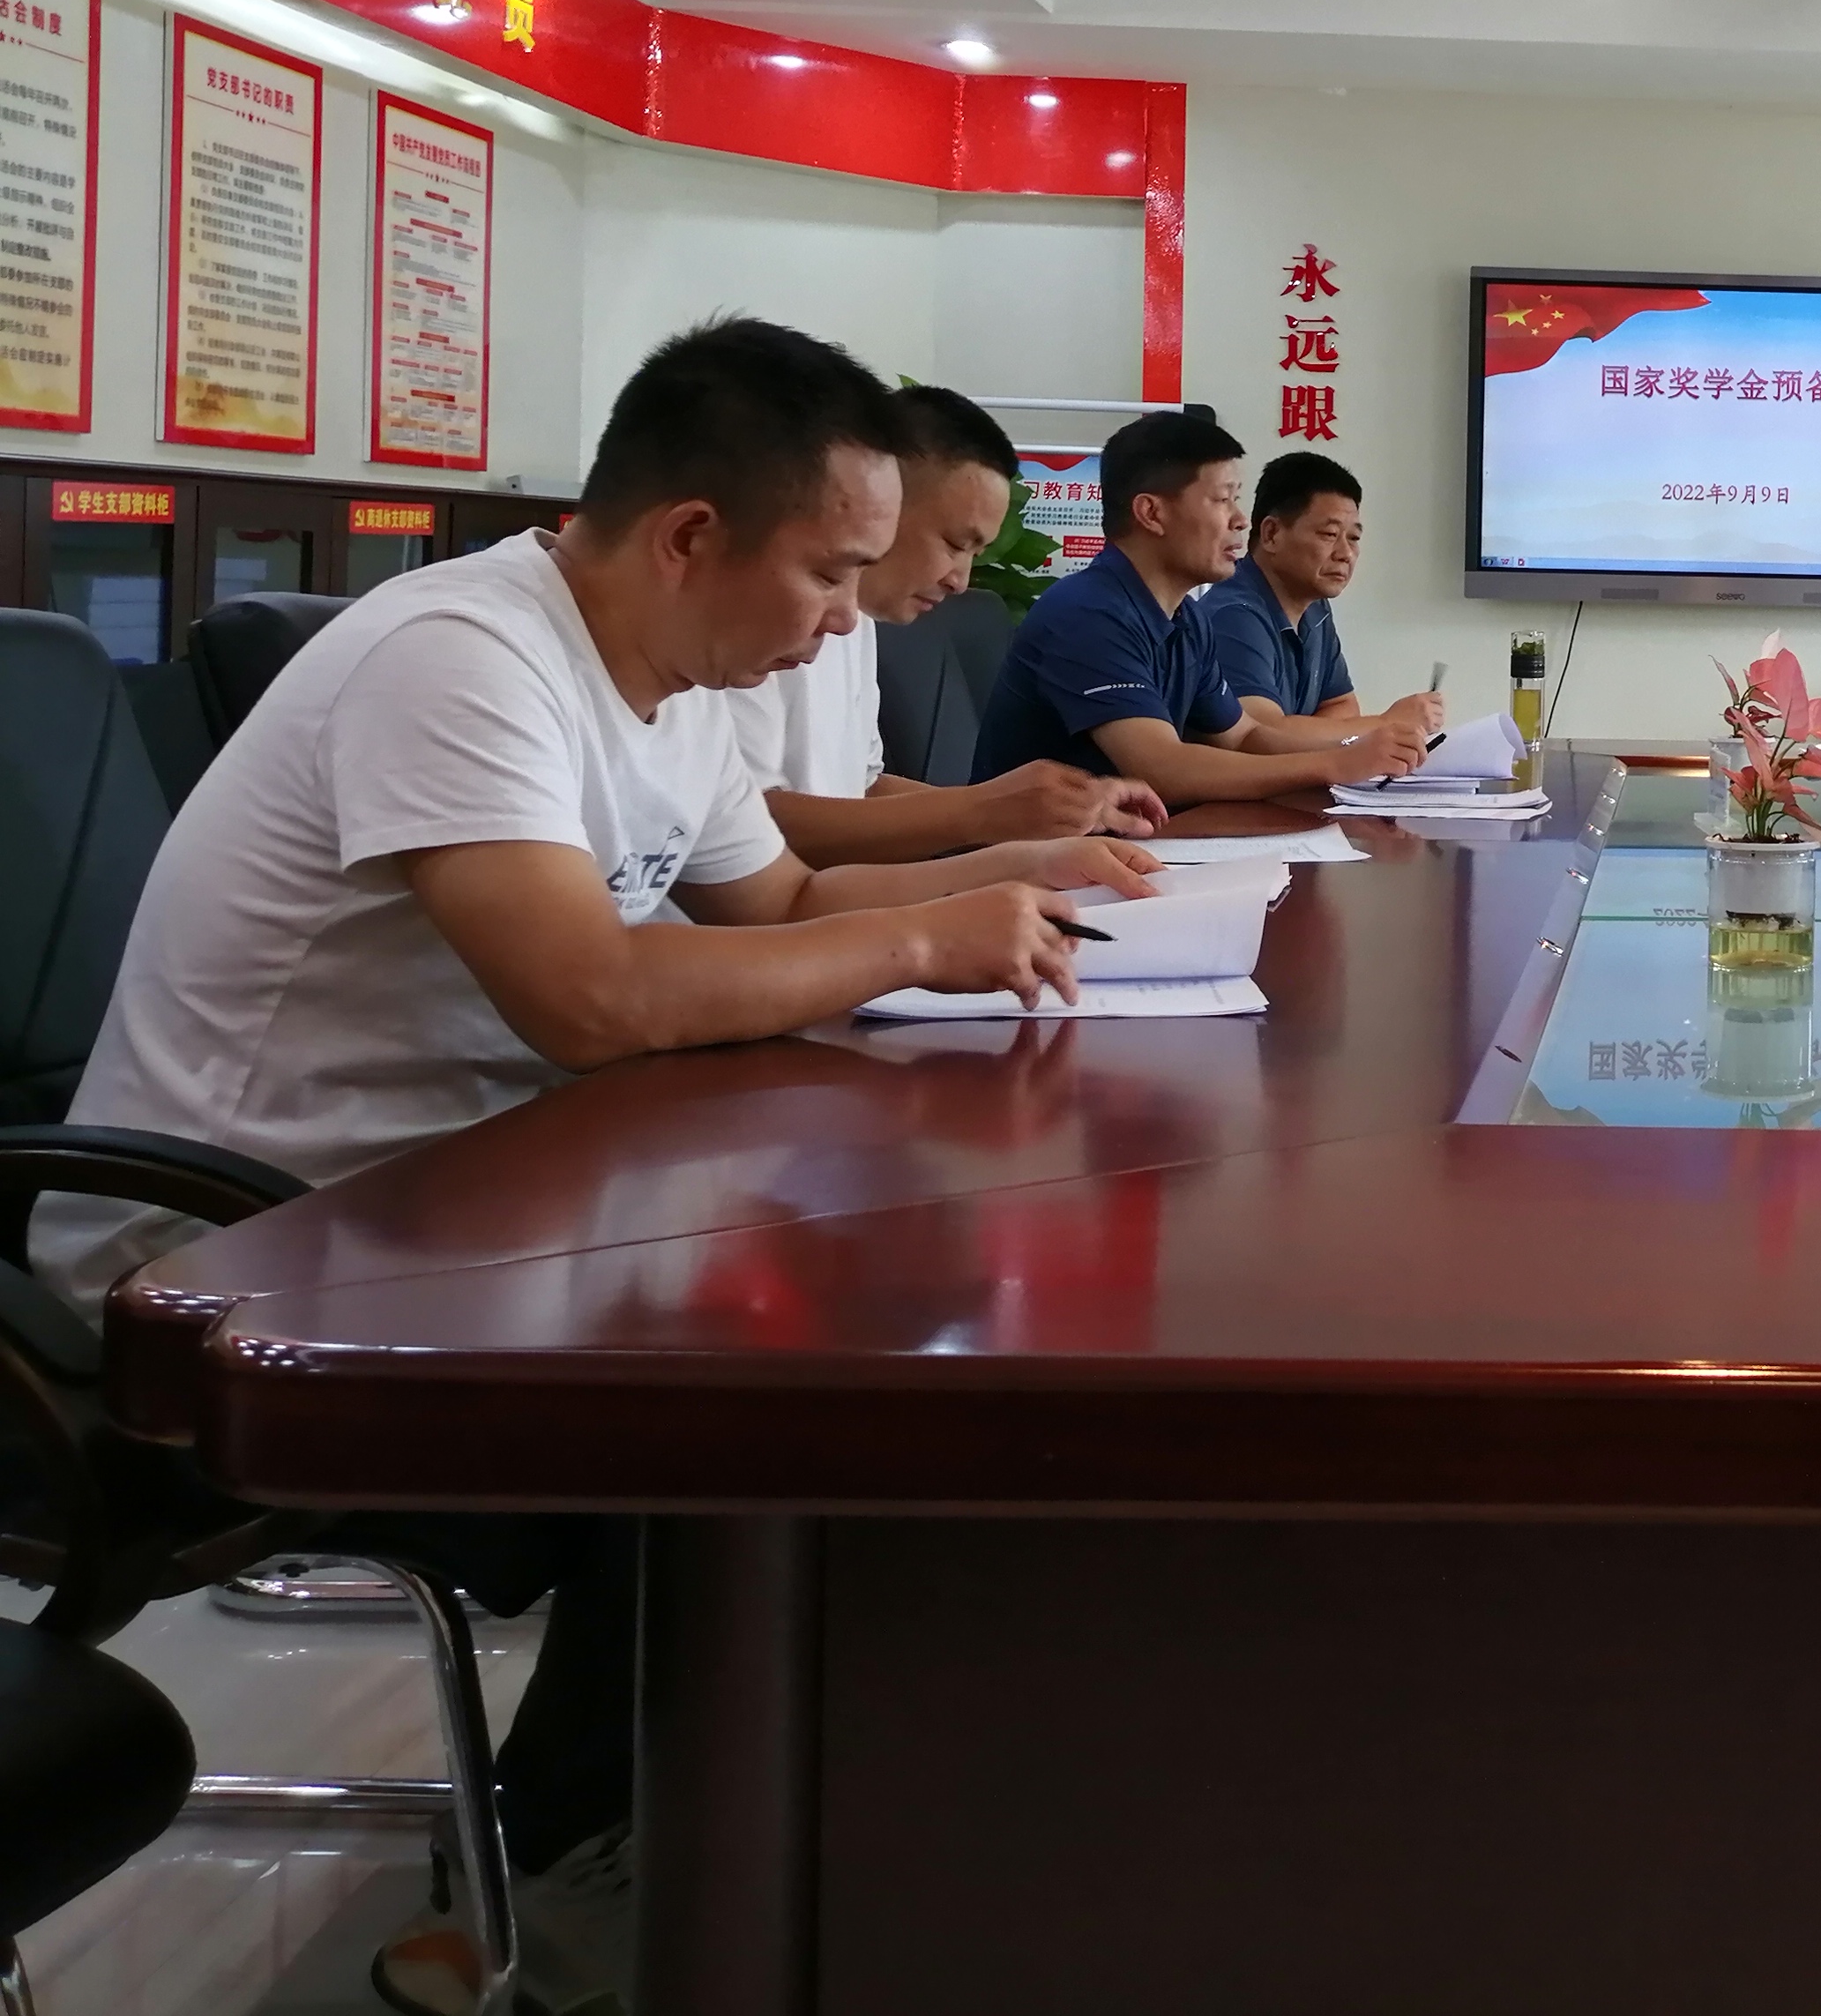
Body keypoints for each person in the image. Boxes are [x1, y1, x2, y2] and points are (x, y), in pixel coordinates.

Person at [35, 317, 1158, 2014]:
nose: (846, 619)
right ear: (692, 535)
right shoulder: (462, 659)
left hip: (461, 1205)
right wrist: (930, 938)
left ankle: (719, 1833)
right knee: (749, 1390)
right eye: (828, 572)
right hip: (229, 1265)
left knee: (816, 1325)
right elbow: (591, 997)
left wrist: (1011, 889)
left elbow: (780, 904)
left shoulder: (678, 684)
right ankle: (581, 1886)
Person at [728, 380, 1170, 864]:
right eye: (956, 544)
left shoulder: (858, 622)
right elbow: (744, 826)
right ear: (881, 504)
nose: (961, 581)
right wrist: (983, 813)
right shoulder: (756, 621)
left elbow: (861, 789)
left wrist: (1038, 819)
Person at [976, 407, 1430, 806]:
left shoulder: (1187, 618)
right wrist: (1335, 763)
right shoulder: (1089, 612)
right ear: (1152, 513)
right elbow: (1163, 768)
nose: (1240, 519)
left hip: (1124, 848)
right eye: (1222, 499)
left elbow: (1245, 737)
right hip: (1034, 863)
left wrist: (1357, 749)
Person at [1188, 449, 1442, 754]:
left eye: (1354, 538)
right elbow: (1261, 736)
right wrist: (1385, 723)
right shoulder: (1234, 615)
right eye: (1329, 534)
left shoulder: (1315, 608)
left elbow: (1342, 706)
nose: (1345, 554)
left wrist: (1309, 734)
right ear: (1271, 534)